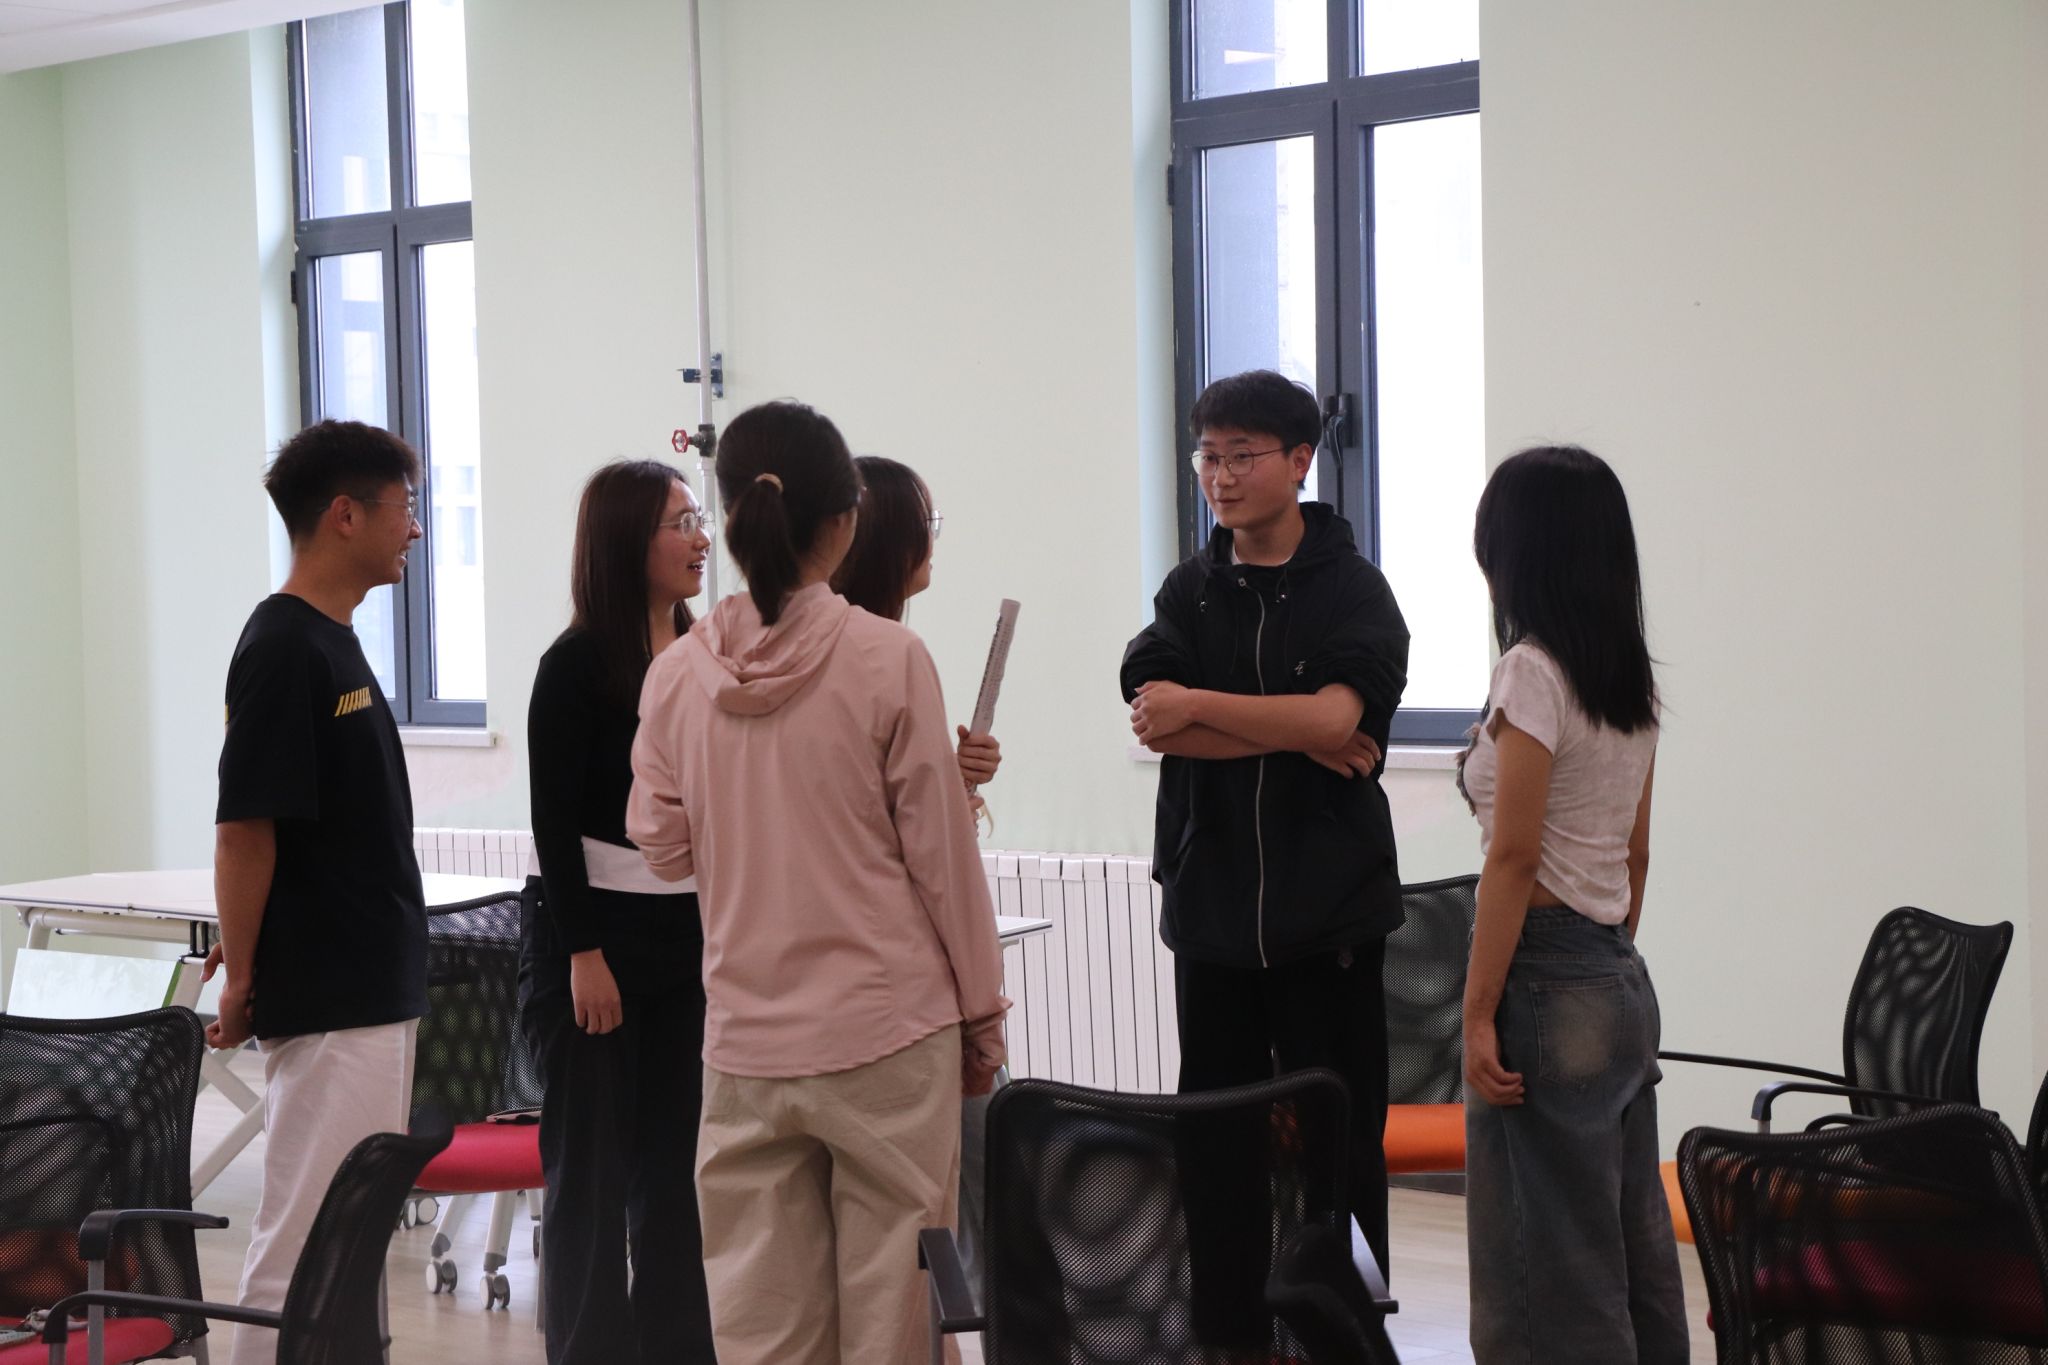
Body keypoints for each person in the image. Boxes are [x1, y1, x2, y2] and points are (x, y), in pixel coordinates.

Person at [627, 400, 1007, 1364]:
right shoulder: (889, 658)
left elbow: (659, 846)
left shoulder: (676, 675)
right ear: (844, 524)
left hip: (746, 1041)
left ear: (730, 517)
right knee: (893, 1317)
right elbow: (942, 862)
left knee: (761, 1324)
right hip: (887, 1031)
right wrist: (982, 1013)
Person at [1119, 369, 1409, 1339]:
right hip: (1210, 915)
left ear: (1299, 461)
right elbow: (1156, 720)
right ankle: (1230, 1345)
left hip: (1327, 921)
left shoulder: (1354, 591)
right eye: (1207, 456)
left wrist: (1208, 709)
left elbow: (1335, 718)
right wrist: (1295, 730)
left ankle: (1342, 1341)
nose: (1221, 476)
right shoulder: (1188, 591)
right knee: (1216, 1150)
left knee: (1336, 1152)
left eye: (1241, 455)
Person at [1456, 444, 1687, 1364]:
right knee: (1630, 1243)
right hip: (1619, 976)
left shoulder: (1531, 671)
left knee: (1543, 1264)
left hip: (1545, 979)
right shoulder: (1630, 677)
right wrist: (1602, 962)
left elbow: (1513, 856)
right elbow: (1636, 852)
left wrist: (1480, 1011)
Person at [208, 419, 428, 1365]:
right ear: (346, 515)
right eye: (404, 507)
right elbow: (245, 826)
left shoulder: (333, 641)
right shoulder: (283, 645)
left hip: (369, 986)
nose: (415, 527)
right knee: (304, 1242)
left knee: (348, 1244)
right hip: (333, 995)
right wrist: (241, 973)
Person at [520, 459, 716, 1363]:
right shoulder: (571, 667)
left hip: (686, 938)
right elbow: (553, 824)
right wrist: (583, 952)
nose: (700, 539)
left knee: (677, 1172)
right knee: (591, 1175)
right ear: (626, 540)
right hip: (592, 939)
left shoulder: (706, 656)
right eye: (680, 522)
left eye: (698, 519)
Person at [830, 454, 1001, 808]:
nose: (932, 540)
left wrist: (950, 774)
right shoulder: (891, 653)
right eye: (926, 523)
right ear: (889, 538)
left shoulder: (827, 640)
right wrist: (948, 807)